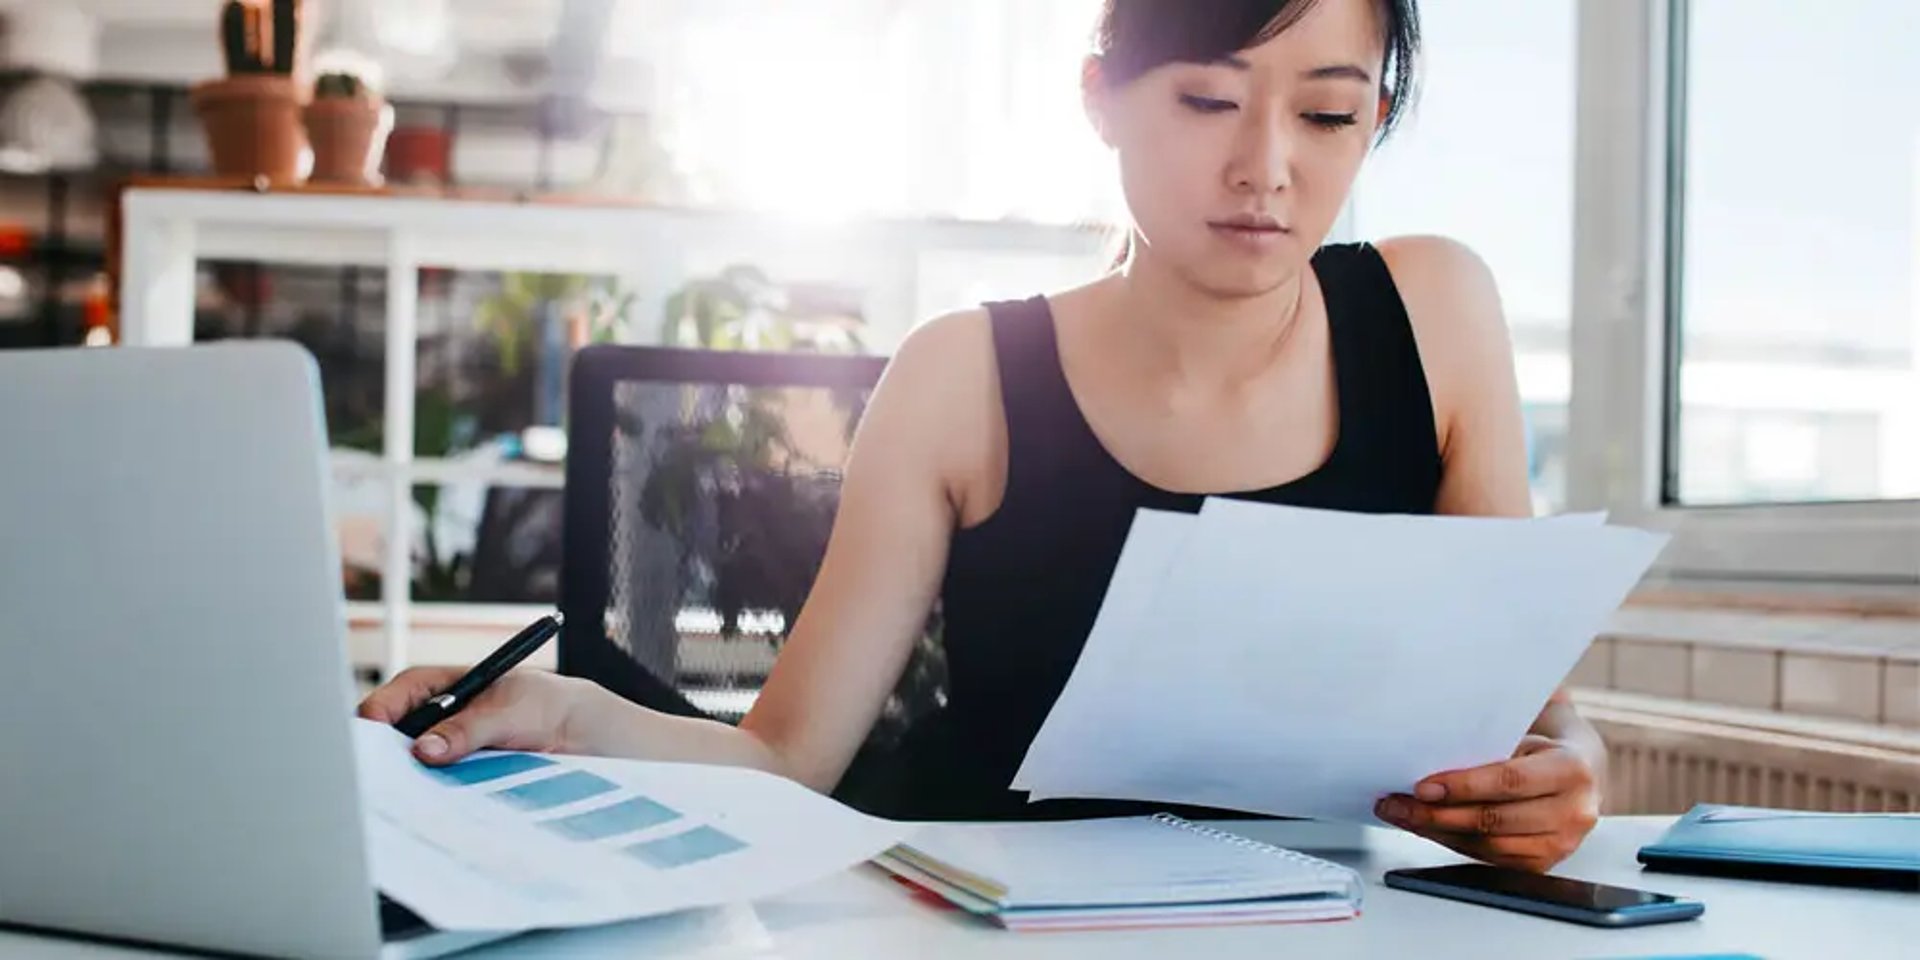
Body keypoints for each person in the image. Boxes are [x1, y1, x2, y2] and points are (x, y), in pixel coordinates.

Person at [361, 0, 1605, 873]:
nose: (1265, 168)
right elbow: (788, 757)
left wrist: (1569, 770)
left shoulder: (1435, 312)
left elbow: (1524, 713)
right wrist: (564, 717)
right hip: (1009, 924)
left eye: (1329, 118)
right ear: (1101, 99)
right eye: (1209, 98)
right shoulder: (964, 376)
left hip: (1351, 924)